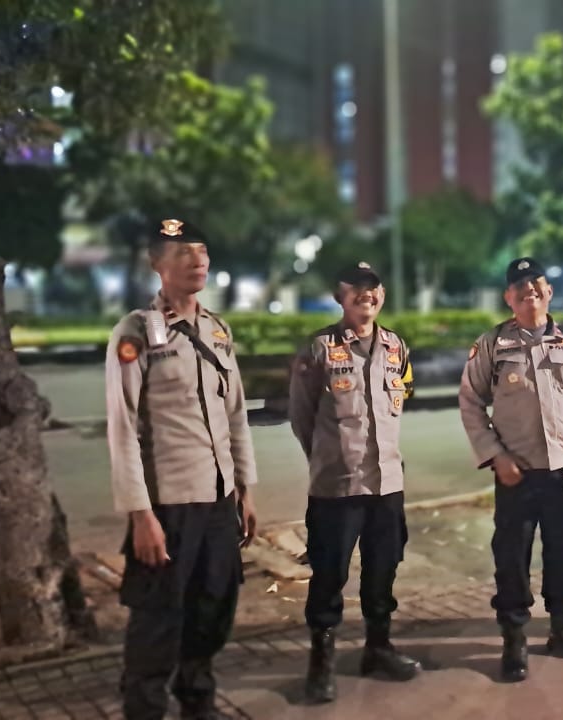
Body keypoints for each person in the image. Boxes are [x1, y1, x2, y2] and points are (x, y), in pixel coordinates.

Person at [105, 218, 258, 720]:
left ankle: (199, 704)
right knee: (157, 622)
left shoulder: (217, 329)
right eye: (183, 252)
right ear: (157, 263)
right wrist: (140, 515)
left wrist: (245, 488)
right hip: (168, 505)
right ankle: (144, 709)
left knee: (213, 609)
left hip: (218, 500)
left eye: (202, 251)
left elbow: (235, 413)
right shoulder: (134, 332)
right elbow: (123, 428)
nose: (197, 260)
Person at [458, 256, 563, 683]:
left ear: (549, 292)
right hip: (516, 475)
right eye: (520, 287)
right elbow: (470, 401)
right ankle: (514, 639)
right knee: (511, 559)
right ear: (508, 297)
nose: (530, 291)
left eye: (537, 284)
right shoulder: (493, 343)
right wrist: (495, 455)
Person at [288, 261, 421, 704]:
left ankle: (378, 648)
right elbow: (302, 416)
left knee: (383, 571)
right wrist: (330, 457)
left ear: (382, 294)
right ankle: (321, 663)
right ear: (340, 296)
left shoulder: (396, 346)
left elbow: (399, 401)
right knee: (329, 577)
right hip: (337, 489)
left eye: (373, 287)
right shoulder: (320, 348)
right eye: (357, 289)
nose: (367, 295)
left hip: (387, 485)